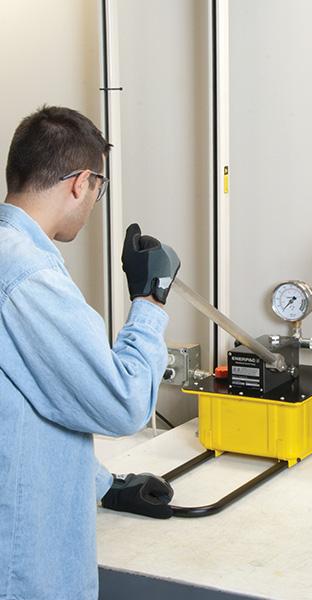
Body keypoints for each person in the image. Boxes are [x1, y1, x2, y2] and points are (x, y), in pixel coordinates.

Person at [0, 106, 181, 600]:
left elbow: (19, 406)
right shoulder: (26, 276)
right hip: (22, 569)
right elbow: (121, 403)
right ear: (81, 182)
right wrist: (149, 300)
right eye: (99, 189)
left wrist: (104, 483)